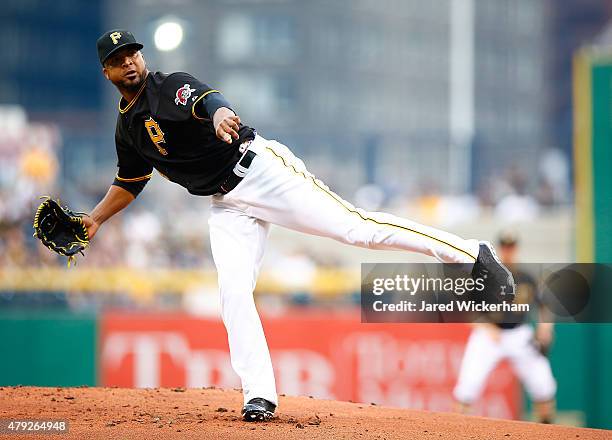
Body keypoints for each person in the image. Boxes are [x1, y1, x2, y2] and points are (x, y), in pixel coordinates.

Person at [86, 29, 515, 422]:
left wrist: (220, 117)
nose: (130, 62)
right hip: (226, 204)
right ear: (106, 71)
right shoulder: (127, 128)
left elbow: (207, 102)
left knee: (358, 229)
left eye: (134, 53)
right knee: (232, 291)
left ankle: (472, 253)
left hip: (260, 171)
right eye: (119, 58)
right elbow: (129, 180)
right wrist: (94, 220)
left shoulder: (167, 86)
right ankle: (260, 394)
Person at [453, 230, 556, 423]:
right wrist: (486, 328)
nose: (508, 251)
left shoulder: (526, 277)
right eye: (505, 247)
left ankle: (548, 431)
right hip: (489, 336)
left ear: (516, 248)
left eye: (511, 247)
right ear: (499, 249)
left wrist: (545, 328)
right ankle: (453, 431)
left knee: (544, 386)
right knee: (467, 387)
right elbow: (465, 310)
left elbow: (545, 306)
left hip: (519, 334)